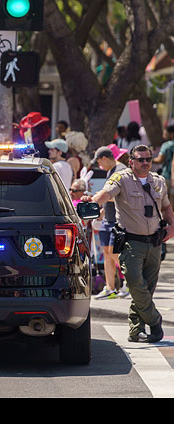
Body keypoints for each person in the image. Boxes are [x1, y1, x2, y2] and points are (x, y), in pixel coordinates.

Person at [82, 144, 174, 343]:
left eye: (148, 159)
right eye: (140, 160)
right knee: (135, 284)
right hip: (132, 242)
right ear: (131, 161)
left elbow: (166, 207)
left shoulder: (158, 181)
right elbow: (104, 195)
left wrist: (172, 226)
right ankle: (155, 320)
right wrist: (92, 202)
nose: (145, 163)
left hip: (155, 243)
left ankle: (135, 330)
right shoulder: (121, 178)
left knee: (147, 289)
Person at [90, 146, 129, 300]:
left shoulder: (121, 170)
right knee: (107, 252)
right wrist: (103, 211)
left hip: (118, 219)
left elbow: (122, 195)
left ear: (104, 158)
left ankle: (130, 283)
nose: (100, 165)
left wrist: (101, 197)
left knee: (114, 251)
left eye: (99, 161)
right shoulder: (110, 171)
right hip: (108, 218)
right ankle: (110, 287)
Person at [153, 125, 174, 201]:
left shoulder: (166, 145)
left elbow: (160, 159)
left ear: (171, 134)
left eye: (166, 133)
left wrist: (149, 160)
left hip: (167, 175)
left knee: (166, 200)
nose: (163, 135)